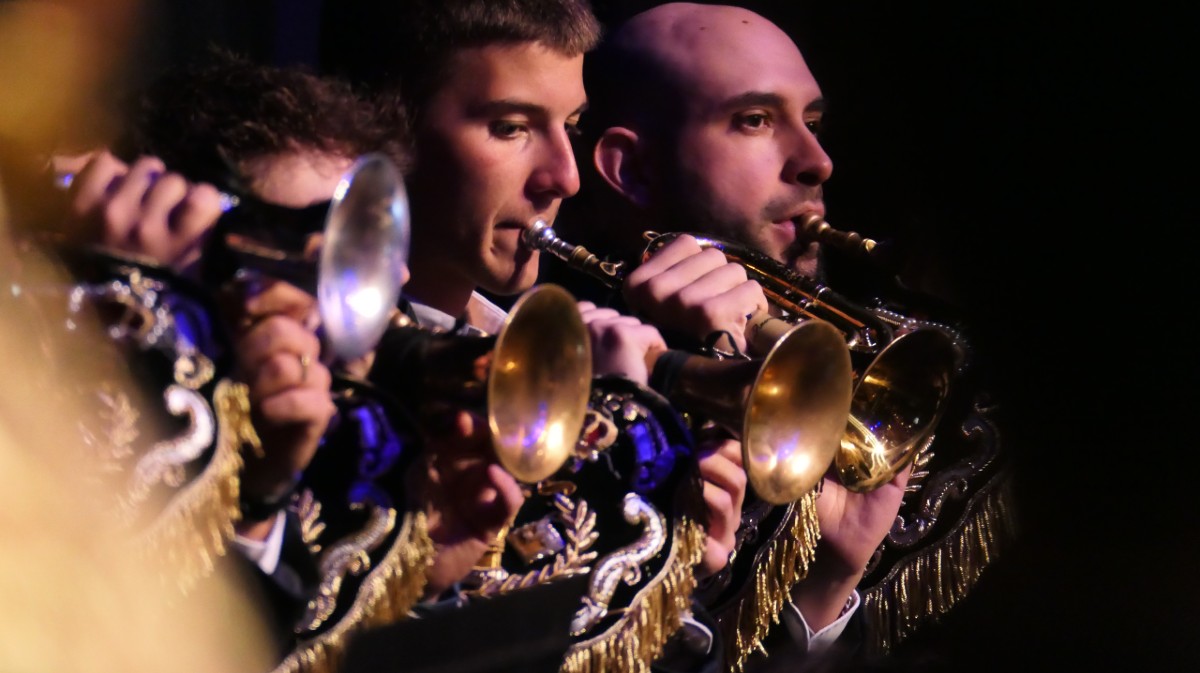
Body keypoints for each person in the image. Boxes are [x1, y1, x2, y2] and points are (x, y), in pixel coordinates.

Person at [548, 3, 1015, 670]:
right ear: (633, 170)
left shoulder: (936, 366)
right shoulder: (546, 356)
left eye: (814, 124)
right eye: (754, 120)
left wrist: (828, 584)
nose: (816, 161)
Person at [54, 51, 531, 672]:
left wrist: (415, 587)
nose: (382, 288)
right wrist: (146, 326)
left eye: (370, 245)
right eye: (318, 252)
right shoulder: (51, 404)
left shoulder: (343, 467)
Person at [321, 1, 745, 670]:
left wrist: (677, 576)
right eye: (511, 128)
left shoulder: (517, 336)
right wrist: (611, 467)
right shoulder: (330, 387)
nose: (565, 177)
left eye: (571, 126)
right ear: (383, 137)